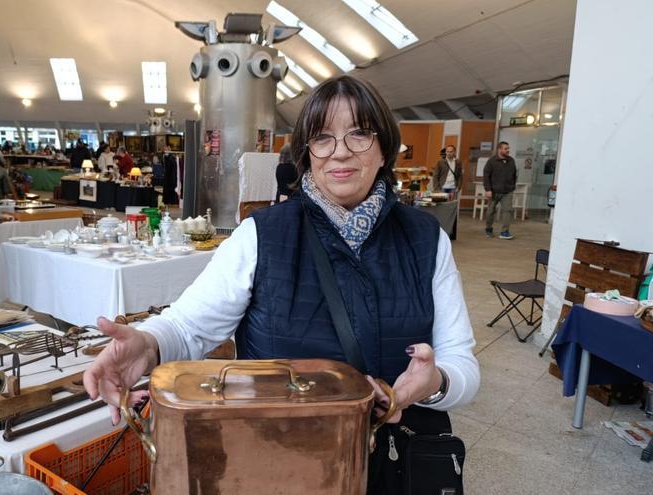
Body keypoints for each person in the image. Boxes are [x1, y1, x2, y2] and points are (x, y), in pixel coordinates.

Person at [84, 75, 479, 494]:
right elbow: (188, 327)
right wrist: (146, 345)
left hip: (392, 466)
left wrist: (435, 383)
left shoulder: (424, 238)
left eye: (359, 133)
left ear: (384, 147)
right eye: (322, 137)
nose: (340, 151)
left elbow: (461, 363)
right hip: (278, 464)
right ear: (307, 152)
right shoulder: (262, 235)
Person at [483, 141, 517, 239]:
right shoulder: (491, 161)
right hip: (494, 191)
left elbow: (514, 175)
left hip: (507, 191)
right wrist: (488, 189)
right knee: (490, 211)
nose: (508, 150)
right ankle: (488, 229)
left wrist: (512, 186)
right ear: (499, 149)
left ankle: (505, 232)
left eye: (508, 148)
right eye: (505, 148)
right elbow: (486, 176)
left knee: (507, 211)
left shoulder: (511, 161)